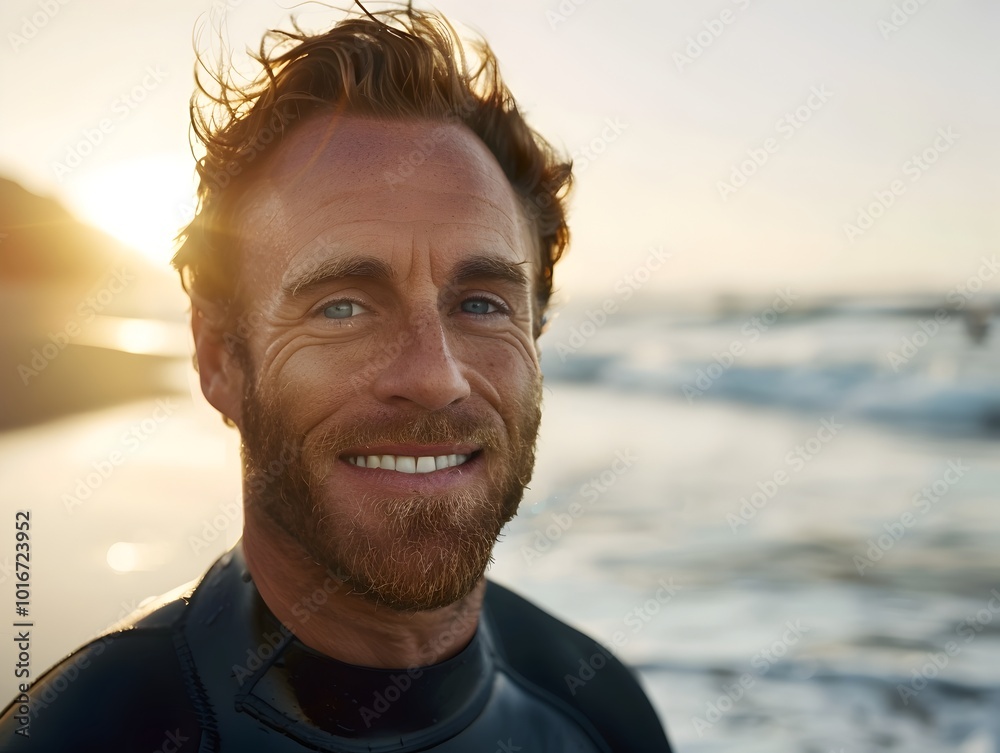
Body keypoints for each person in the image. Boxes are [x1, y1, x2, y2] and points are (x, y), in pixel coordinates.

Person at [0, 6, 673, 750]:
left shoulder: (602, 711)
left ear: (537, 339)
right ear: (221, 357)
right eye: (343, 305)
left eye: (481, 303)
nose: (435, 376)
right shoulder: (79, 733)